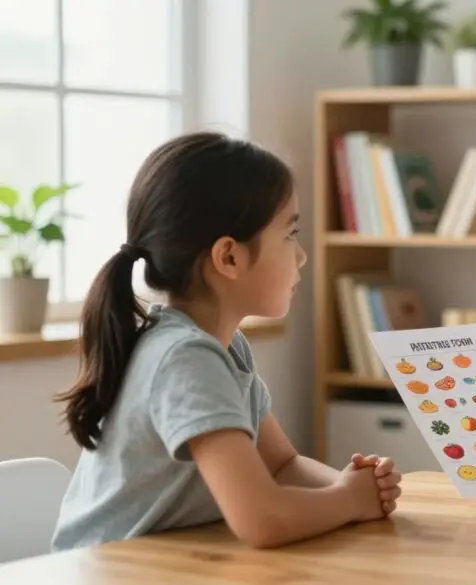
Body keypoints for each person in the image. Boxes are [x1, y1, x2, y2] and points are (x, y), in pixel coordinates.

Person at [51, 132, 402, 551]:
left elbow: (282, 465)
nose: (302, 255)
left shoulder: (224, 347)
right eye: (290, 234)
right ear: (229, 257)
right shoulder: (185, 359)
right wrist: (347, 500)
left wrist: (358, 487)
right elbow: (262, 519)